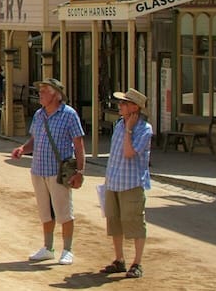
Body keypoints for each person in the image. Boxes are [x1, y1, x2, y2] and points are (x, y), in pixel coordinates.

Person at [9, 78, 86, 265]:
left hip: (58, 171)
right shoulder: (39, 115)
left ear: (56, 95)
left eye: (44, 90)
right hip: (38, 169)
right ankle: (48, 247)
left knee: (64, 212)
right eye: (40, 90)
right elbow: (34, 140)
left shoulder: (69, 114)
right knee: (45, 212)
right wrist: (22, 149)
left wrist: (80, 171)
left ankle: (67, 250)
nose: (40, 93)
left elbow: (79, 145)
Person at [101, 89, 155, 278]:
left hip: (131, 183)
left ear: (134, 107)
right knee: (114, 221)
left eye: (124, 103)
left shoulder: (144, 129)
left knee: (134, 223)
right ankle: (119, 259)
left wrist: (129, 130)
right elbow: (114, 156)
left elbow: (129, 152)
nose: (120, 106)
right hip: (114, 181)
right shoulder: (118, 125)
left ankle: (137, 263)